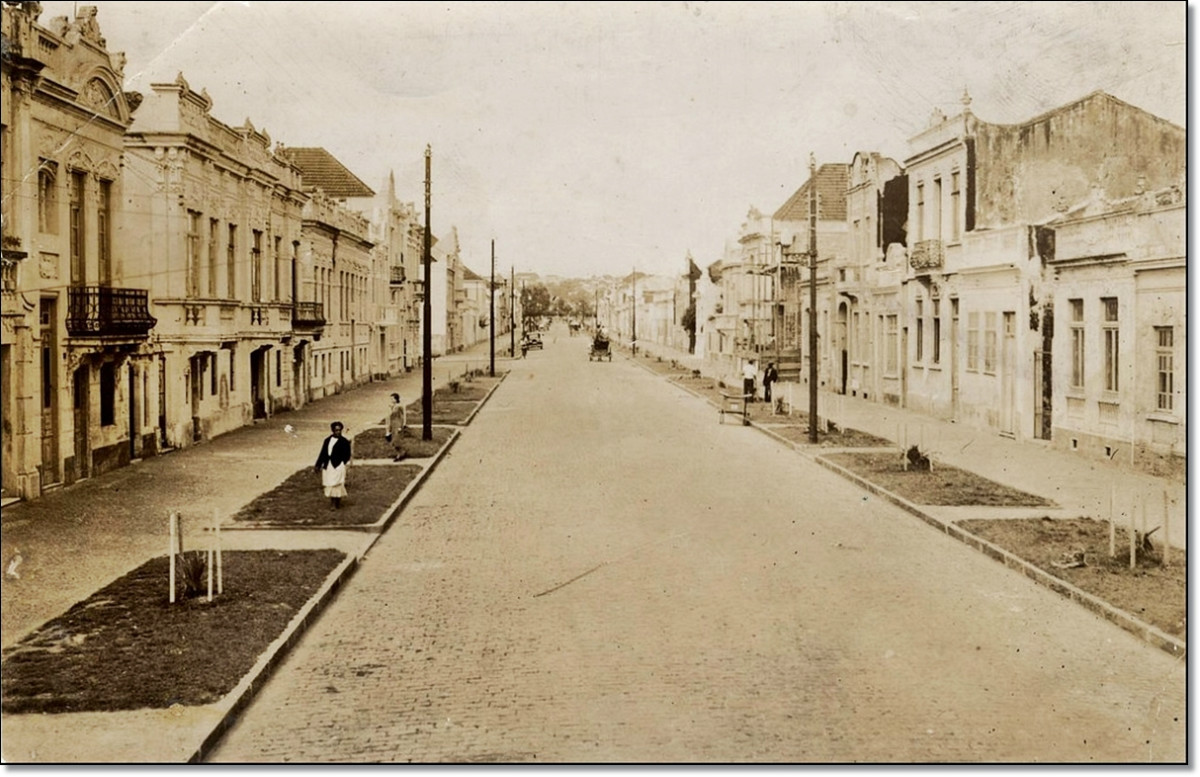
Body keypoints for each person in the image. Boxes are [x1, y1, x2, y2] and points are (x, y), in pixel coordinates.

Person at [315, 421, 352, 509]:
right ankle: (332, 501)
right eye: (336, 430)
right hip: (328, 465)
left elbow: (347, 454)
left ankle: (336, 502)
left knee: (338, 484)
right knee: (330, 484)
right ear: (333, 431)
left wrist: (343, 462)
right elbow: (323, 453)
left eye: (339, 430)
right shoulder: (327, 440)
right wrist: (318, 465)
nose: (338, 432)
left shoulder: (344, 442)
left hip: (338, 465)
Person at [385, 393, 407, 461]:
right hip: (393, 424)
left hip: (397, 424)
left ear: (396, 399)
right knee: (392, 441)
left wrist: (402, 425)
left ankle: (400, 454)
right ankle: (401, 452)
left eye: (392, 398)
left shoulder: (399, 406)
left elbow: (402, 416)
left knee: (396, 440)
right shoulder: (392, 406)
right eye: (391, 398)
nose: (391, 400)